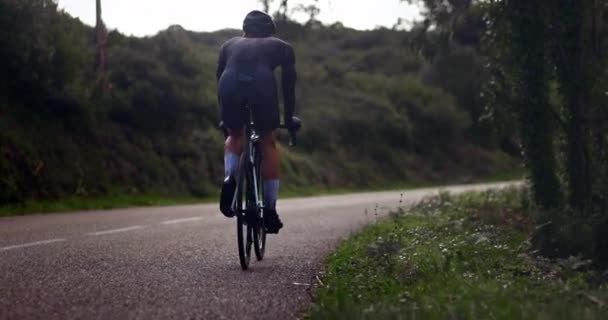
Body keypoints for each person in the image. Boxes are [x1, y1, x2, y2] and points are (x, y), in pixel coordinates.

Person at [216, 10, 298, 234]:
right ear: (270, 31)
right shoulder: (281, 46)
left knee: (234, 135)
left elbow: (218, 80)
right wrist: (289, 119)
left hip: (229, 84)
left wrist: (225, 118)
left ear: (244, 30)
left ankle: (229, 180)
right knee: (267, 141)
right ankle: (269, 211)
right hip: (262, 86)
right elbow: (288, 87)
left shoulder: (228, 45)